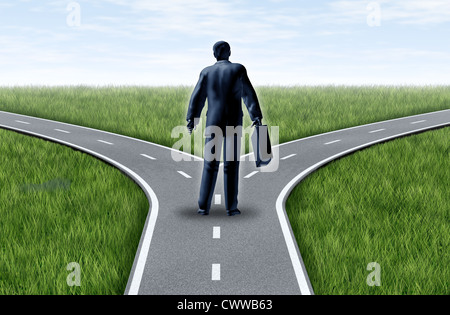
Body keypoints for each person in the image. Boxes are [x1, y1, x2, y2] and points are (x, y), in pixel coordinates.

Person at [186, 41, 264, 216]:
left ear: (214, 54)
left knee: (209, 165)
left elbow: (197, 97)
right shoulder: (238, 69)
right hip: (233, 122)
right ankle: (231, 208)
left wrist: (192, 118)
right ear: (229, 52)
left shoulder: (206, 72)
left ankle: (203, 207)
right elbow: (248, 94)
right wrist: (256, 116)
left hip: (213, 122)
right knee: (231, 165)